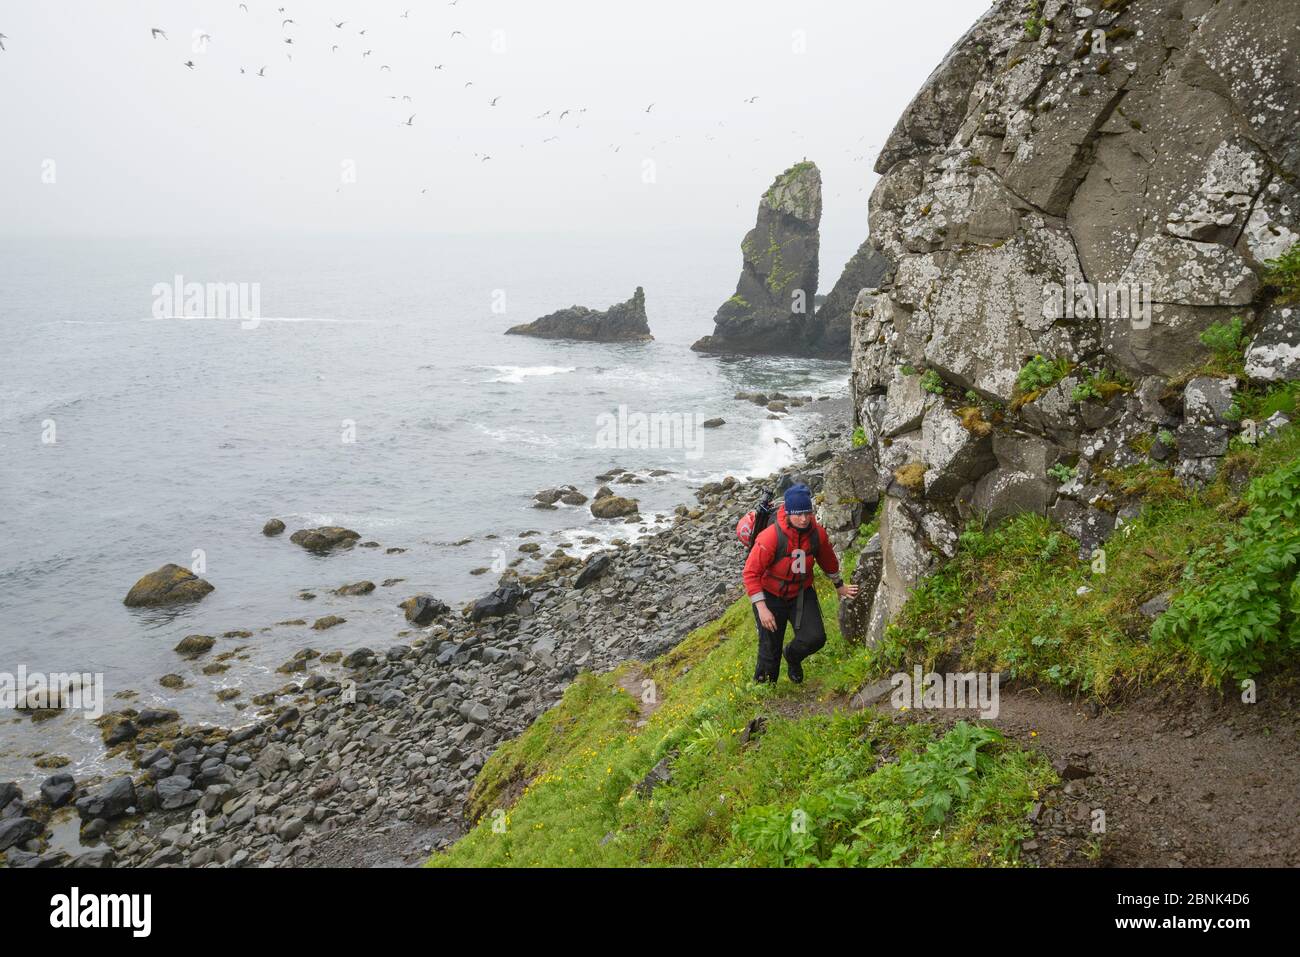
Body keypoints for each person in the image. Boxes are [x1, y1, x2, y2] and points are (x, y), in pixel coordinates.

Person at [742, 482, 858, 683]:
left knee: (815, 638)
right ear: (787, 512)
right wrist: (761, 608)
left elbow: (828, 561)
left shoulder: (817, 533)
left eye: (808, 513)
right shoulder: (770, 537)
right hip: (770, 596)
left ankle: (793, 657)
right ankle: (764, 691)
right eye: (799, 514)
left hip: (801, 593)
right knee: (770, 649)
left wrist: (839, 586)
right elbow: (750, 573)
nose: (804, 519)